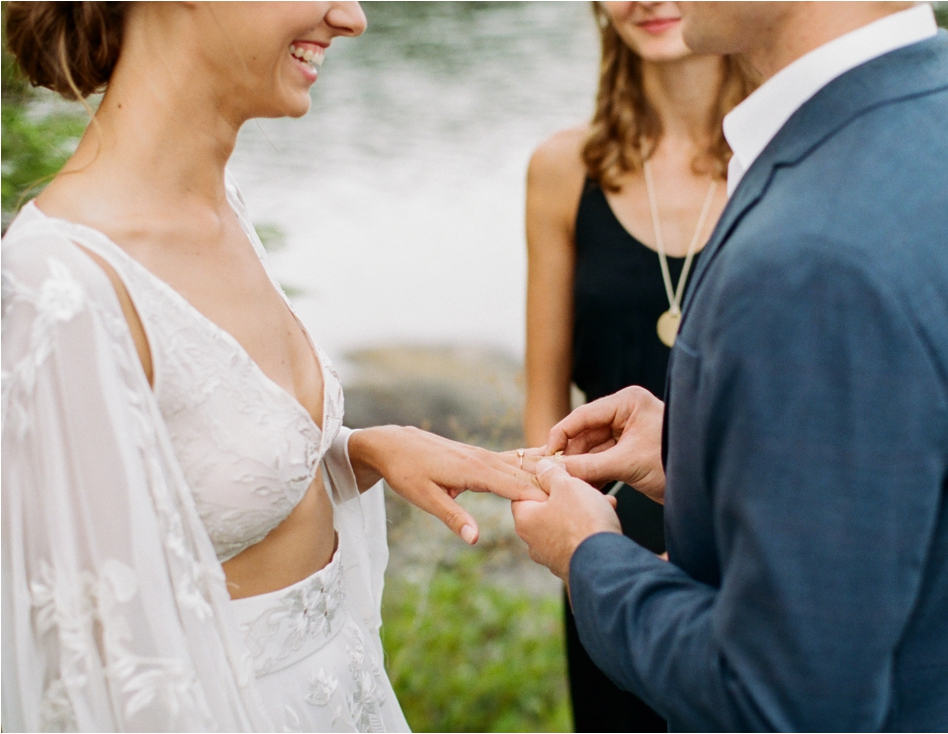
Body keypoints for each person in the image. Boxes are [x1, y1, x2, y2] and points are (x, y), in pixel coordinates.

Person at [512, 2, 948, 730]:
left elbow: (780, 700)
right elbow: (931, 498)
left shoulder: (808, 256)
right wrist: (698, 456)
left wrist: (589, 555)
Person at [0, 3, 545, 731]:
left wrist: (351, 452)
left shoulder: (220, 207)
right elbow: (90, 668)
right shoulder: (58, 286)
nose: (351, 17)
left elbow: (195, 480)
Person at [523, 2, 753, 729]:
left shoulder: (777, 164)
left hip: (749, 540)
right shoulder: (563, 169)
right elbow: (544, 405)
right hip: (608, 540)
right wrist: (573, 549)